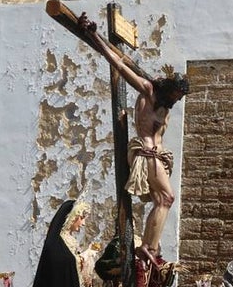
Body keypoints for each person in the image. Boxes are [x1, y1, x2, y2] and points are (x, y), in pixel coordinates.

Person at [78, 13, 189, 264]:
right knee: (166, 198)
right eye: (176, 94)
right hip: (146, 153)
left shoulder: (166, 103)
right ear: (170, 87)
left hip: (157, 156)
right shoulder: (149, 91)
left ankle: (151, 245)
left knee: (163, 200)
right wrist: (94, 35)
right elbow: (119, 65)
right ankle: (148, 246)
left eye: (180, 97)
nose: (177, 100)